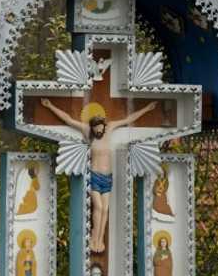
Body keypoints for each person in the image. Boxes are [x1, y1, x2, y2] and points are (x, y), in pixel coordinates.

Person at [41, 99, 157, 253]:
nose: (98, 130)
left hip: (108, 177)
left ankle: (100, 239)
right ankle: (93, 238)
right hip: (94, 176)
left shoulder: (109, 129)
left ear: (104, 125)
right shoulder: (87, 131)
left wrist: (147, 108)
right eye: (96, 128)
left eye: (100, 127)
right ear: (92, 128)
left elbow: (128, 120)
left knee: (105, 210)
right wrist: (51, 106)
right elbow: (68, 120)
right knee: (99, 207)